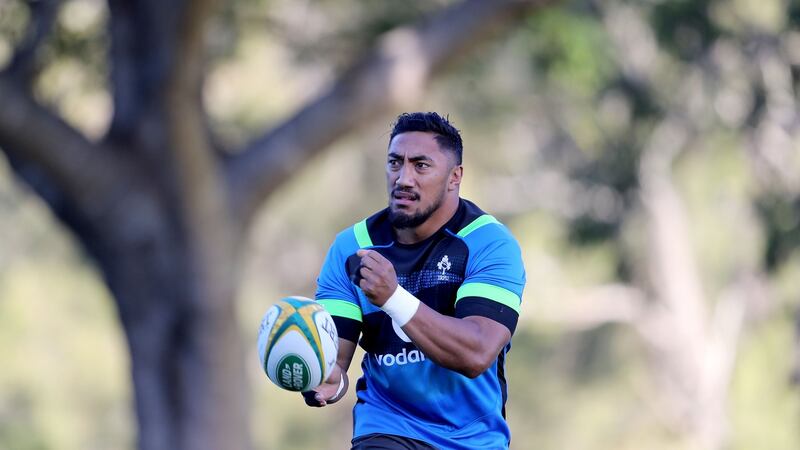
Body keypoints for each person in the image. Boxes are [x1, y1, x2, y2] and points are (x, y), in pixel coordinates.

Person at [308, 112, 526, 450]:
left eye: (421, 166)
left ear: (454, 177)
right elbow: (335, 362)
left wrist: (392, 297)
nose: (403, 178)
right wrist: (325, 380)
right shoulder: (351, 247)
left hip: (472, 439)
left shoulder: (489, 243)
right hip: (387, 428)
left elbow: (476, 353)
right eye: (395, 163)